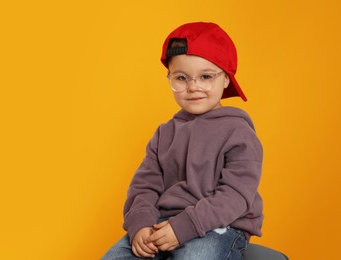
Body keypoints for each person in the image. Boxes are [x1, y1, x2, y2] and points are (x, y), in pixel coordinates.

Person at [102, 21, 264, 260]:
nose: (193, 87)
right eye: (181, 78)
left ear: (226, 79)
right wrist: (141, 224)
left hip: (219, 225)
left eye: (206, 76)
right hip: (163, 223)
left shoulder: (238, 132)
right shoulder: (165, 133)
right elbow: (144, 186)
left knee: (196, 256)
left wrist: (183, 228)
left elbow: (235, 195)